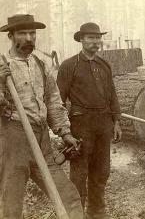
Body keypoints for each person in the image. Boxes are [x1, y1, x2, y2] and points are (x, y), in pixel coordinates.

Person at [0, 14, 83, 219]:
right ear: (11, 36)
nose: (29, 38)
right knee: (11, 209)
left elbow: (52, 101)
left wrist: (65, 133)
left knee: (69, 198)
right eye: (22, 33)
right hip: (13, 142)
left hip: (42, 143)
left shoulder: (40, 65)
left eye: (32, 33)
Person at [57, 22, 123, 219]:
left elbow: (112, 95)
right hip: (80, 124)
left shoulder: (104, 65)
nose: (96, 42)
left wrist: (116, 121)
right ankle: (76, 214)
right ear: (81, 40)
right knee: (79, 172)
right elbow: (58, 99)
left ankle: (96, 211)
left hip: (103, 124)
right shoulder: (69, 65)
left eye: (98, 38)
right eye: (91, 38)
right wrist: (63, 130)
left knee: (102, 169)